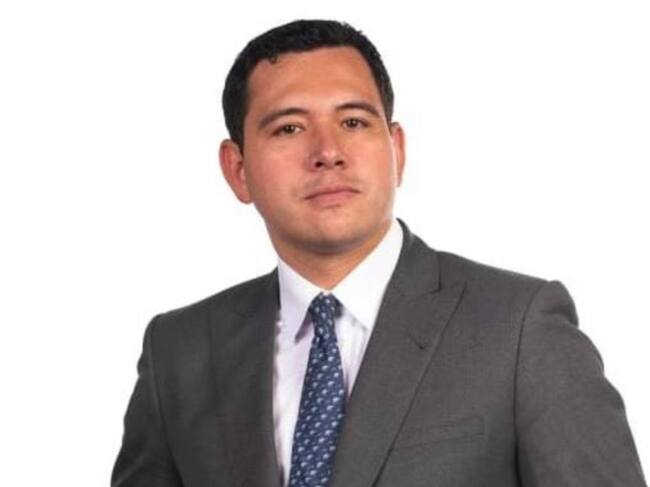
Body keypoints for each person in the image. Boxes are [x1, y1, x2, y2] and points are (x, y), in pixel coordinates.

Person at [111, 19, 647, 487]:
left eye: (353, 122)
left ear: (397, 151)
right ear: (238, 169)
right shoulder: (178, 352)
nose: (327, 152)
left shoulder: (519, 329)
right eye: (289, 128)